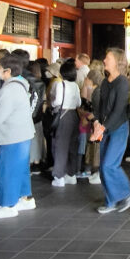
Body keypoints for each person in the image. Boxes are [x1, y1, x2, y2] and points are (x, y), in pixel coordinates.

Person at [0, 53, 36, 219]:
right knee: (21, 168)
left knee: (6, 170)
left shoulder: (9, 89)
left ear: (7, 71)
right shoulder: (22, 83)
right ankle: (25, 198)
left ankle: (8, 205)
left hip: (12, 135)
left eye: (0, 68)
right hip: (24, 133)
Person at [92, 48, 130, 215]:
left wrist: (102, 127)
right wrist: (97, 121)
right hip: (105, 127)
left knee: (109, 164)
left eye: (107, 57)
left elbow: (118, 110)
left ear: (117, 61)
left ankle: (126, 192)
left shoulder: (122, 82)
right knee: (104, 166)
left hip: (118, 128)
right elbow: (99, 106)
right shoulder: (105, 82)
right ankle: (110, 201)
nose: (104, 60)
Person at [50, 57, 81, 188]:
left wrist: (51, 103)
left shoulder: (60, 84)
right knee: (72, 146)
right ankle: (71, 175)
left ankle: (59, 176)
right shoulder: (75, 85)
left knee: (60, 146)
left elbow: (57, 102)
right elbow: (79, 102)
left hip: (63, 114)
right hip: (74, 115)